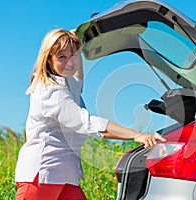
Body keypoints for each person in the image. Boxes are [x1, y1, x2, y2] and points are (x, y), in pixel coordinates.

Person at [14, 28, 165, 200]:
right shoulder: (51, 91)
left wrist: (78, 43)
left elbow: (78, 79)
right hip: (43, 174)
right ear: (48, 59)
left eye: (73, 55)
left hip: (66, 176)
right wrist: (137, 135)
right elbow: (87, 123)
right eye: (62, 57)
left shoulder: (68, 83)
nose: (70, 63)